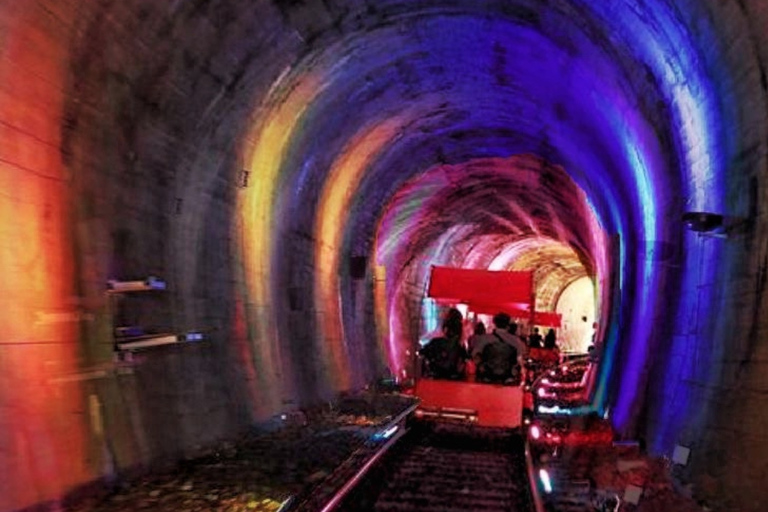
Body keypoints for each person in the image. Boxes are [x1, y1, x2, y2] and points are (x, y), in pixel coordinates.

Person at [472, 312, 527, 383]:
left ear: (494, 323)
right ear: (508, 325)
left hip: (487, 375)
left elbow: (475, 356)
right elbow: (519, 359)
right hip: (507, 376)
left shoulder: (484, 339)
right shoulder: (515, 341)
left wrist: (480, 366)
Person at [420, 307, 468, 380]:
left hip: (437, 374)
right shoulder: (459, 347)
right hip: (452, 377)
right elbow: (464, 360)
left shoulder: (436, 342)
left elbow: (423, 352)